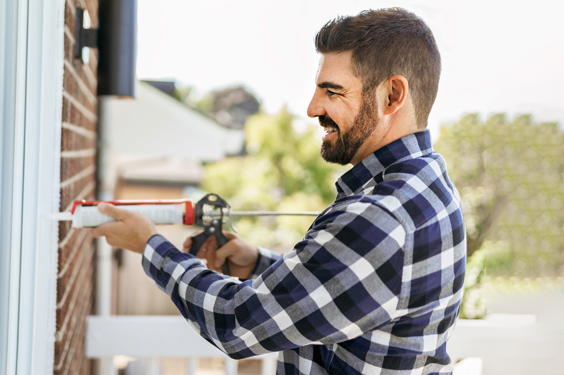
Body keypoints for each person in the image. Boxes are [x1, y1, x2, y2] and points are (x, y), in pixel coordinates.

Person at [91, 8, 466, 375]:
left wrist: (150, 245)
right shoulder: (431, 186)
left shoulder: (380, 217)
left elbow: (236, 322)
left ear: (391, 95)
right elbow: (354, 293)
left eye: (332, 92)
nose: (312, 107)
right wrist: (258, 263)